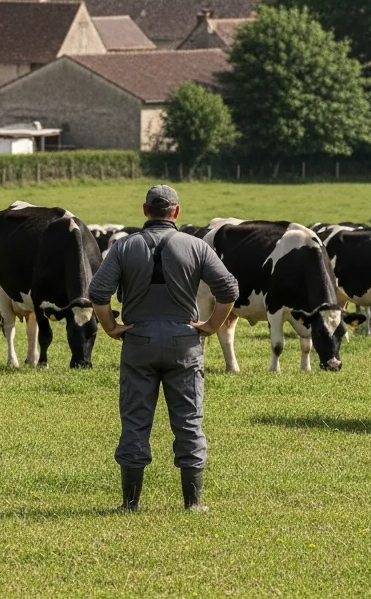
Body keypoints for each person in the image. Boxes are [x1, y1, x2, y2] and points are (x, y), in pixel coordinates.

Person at [89, 185, 238, 513]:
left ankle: (130, 505)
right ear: (176, 212)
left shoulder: (124, 246)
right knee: (188, 419)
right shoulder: (197, 246)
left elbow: (98, 292)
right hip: (184, 342)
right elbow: (228, 288)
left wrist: (111, 327)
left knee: (135, 421)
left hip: (138, 341)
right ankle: (193, 503)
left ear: (145, 210)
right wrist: (212, 326)